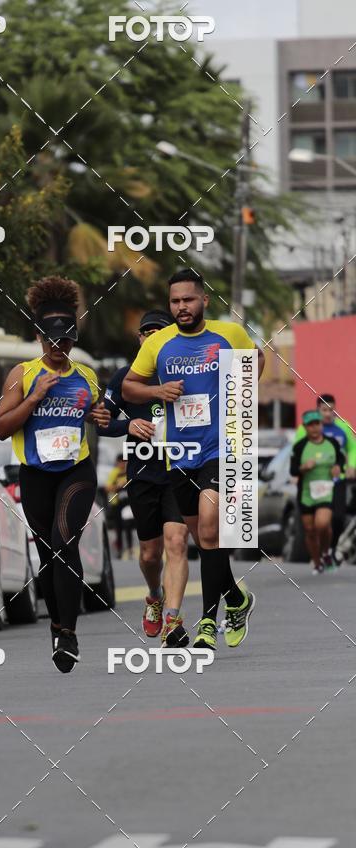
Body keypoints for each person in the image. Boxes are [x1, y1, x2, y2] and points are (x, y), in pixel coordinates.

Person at [122, 269, 265, 652]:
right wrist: (158, 389)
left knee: (209, 523)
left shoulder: (228, 334)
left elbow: (257, 362)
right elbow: (128, 386)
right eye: (175, 302)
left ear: (204, 300)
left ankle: (206, 623)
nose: (182, 307)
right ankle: (236, 598)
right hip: (179, 454)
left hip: (221, 448)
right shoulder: (158, 343)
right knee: (205, 538)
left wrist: (237, 397)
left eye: (188, 299)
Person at [0, 276, 110, 672]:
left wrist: (105, 418)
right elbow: (1, 426)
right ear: (39, 337)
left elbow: (104, 418)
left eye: (66, 340)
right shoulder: (22, 374)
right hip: (35, 476)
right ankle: (58, 628)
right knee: (47, 555)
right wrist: (35, 397)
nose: (59, 348)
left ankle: (70, 635)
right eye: (51, 340)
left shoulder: (86, 377)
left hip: (76, 472)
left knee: (65, 540)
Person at [98, 309, 189, 647]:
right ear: (139, 339)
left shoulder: (183, 373)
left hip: (179, 471)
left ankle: (173, 621)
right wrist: (128, 425)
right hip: (142, 474)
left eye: (158, 332)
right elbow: (101, 421)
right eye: (144, 332)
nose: (150, 337)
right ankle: (155, 597)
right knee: (150, 554)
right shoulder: (125, 377)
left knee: (177, 543)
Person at [293, 393, 356, 562]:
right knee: (314, 523)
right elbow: (297, 451)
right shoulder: (305, 428)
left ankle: (331, 548)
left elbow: (353, 448)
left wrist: (352, 466)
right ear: (317, 410)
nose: (328, 414)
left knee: (338, 518)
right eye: (324, 410)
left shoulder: (343, 427)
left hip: (337, 480)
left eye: (331, 410)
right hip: (312, 482)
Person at [290, 409, 344, 574]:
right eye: (310, 425)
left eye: (317, 424)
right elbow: (293, 470)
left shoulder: (332, 443)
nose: (314, 428)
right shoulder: (300, 447)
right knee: (310, 530)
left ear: (321, 425)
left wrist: (338, 467)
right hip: (306, 492)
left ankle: (326, 552)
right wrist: (303, 468)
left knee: (322, 524)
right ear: (305, 427)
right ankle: (317, 562)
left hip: (326, 490)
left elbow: (340, 459)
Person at [105, 454, 135, 560]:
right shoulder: (114, 473)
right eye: (120, 462)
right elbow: (107, 487)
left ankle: (130, 549)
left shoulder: (129, 471)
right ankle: (119, 548)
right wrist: (118, 486)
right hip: (117, 503)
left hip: (127, 503)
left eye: (124, 462)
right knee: (118, 527)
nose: (122, 464)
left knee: (128, 525)